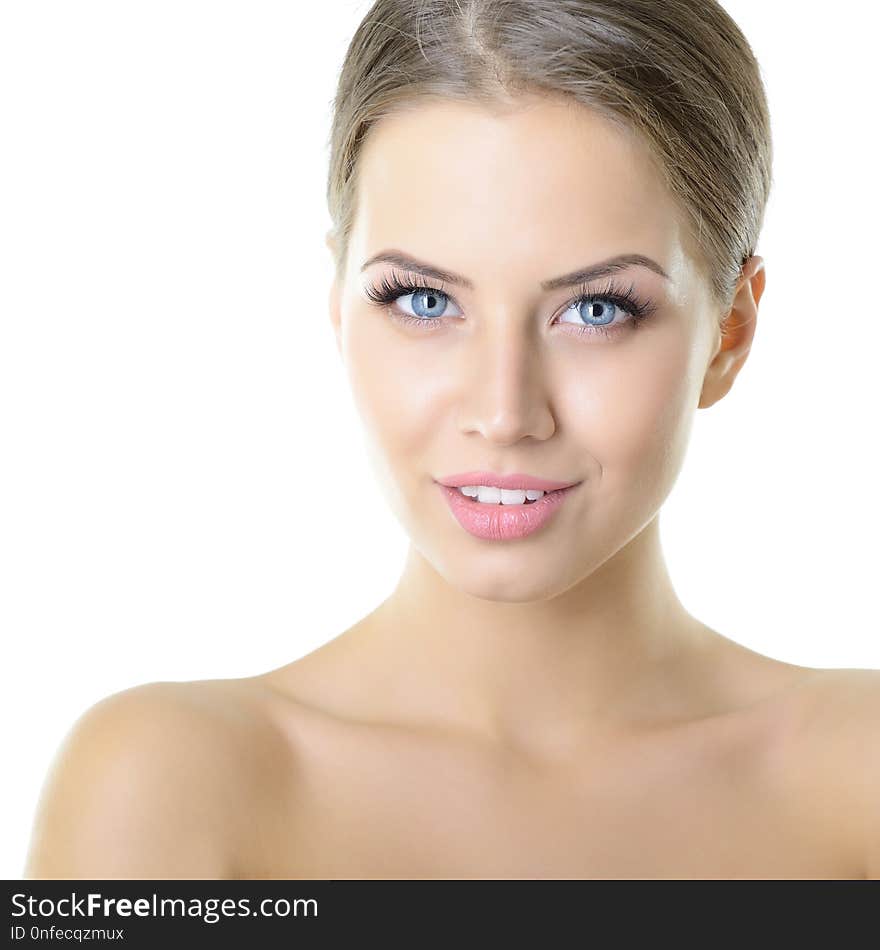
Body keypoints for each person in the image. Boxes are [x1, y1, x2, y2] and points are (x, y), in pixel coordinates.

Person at [24, 0, 879, 880]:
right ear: (338, 308)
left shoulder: (861, 779)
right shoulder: (163, 789)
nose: (504, 411)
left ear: (730, 333)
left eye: (595, 309)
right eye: (424, 301)